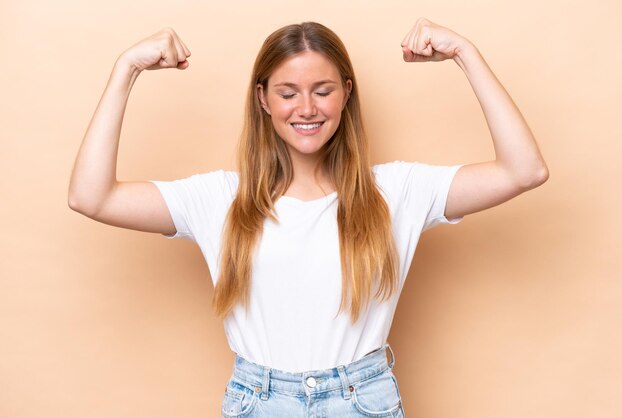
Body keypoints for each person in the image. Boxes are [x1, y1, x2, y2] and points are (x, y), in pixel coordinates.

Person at [68, 18, 548, 418]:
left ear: (346, 93)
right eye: (288, 92)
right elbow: (92, 197)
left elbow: (524, 170)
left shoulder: (398, 191)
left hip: (363, 402)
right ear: (263, 99)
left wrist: (466, 53)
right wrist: (125, 69)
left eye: (322, 90)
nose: (307, 109)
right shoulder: (218, 198)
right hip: (259, 402)